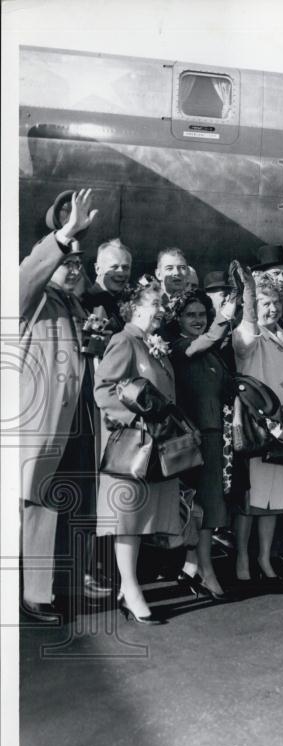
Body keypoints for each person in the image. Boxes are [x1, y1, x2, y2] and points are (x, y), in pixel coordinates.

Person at [18, 189, 101, 622]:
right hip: (44, 423)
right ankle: (35, 595)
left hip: (77, 422)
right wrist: (63, 237)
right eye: (67, 263)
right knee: (39, 504)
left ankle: (60, 584)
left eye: (78, 264)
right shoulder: (33, 300)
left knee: (70, 501)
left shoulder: (75, 305)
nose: (74, 269)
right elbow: (25, 277)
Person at [94, 282, 181, 624]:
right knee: (128, 519)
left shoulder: (151, 344)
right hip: (133, 443)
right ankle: (131, 589)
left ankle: (128, 586)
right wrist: (135, 419)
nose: (162, 310)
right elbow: (104, 389)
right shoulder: (124, 340)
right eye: (156, 303)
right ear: (136, 308)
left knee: (143, 517)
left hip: (155, 443)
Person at [231, 268, 283, 585]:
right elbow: (245, 343)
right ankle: (242, 558)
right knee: (252, 499)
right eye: (265, 303)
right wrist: (248, 299)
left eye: (276, 303)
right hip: (255, 425)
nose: (272, 309)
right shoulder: (246, 334)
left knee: (275, 497)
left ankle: (264, 557)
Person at [168, 288, 239, 599]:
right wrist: (225, 315)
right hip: (193, 437)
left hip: (214, 436)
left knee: (209, 506)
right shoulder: (180, 347)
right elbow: (203, 342)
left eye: (201, 314)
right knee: (202, 506)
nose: (197, 320)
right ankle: (206, 571)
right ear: (179, 320)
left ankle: (193, 567)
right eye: (190, 315)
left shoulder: (212, 352)